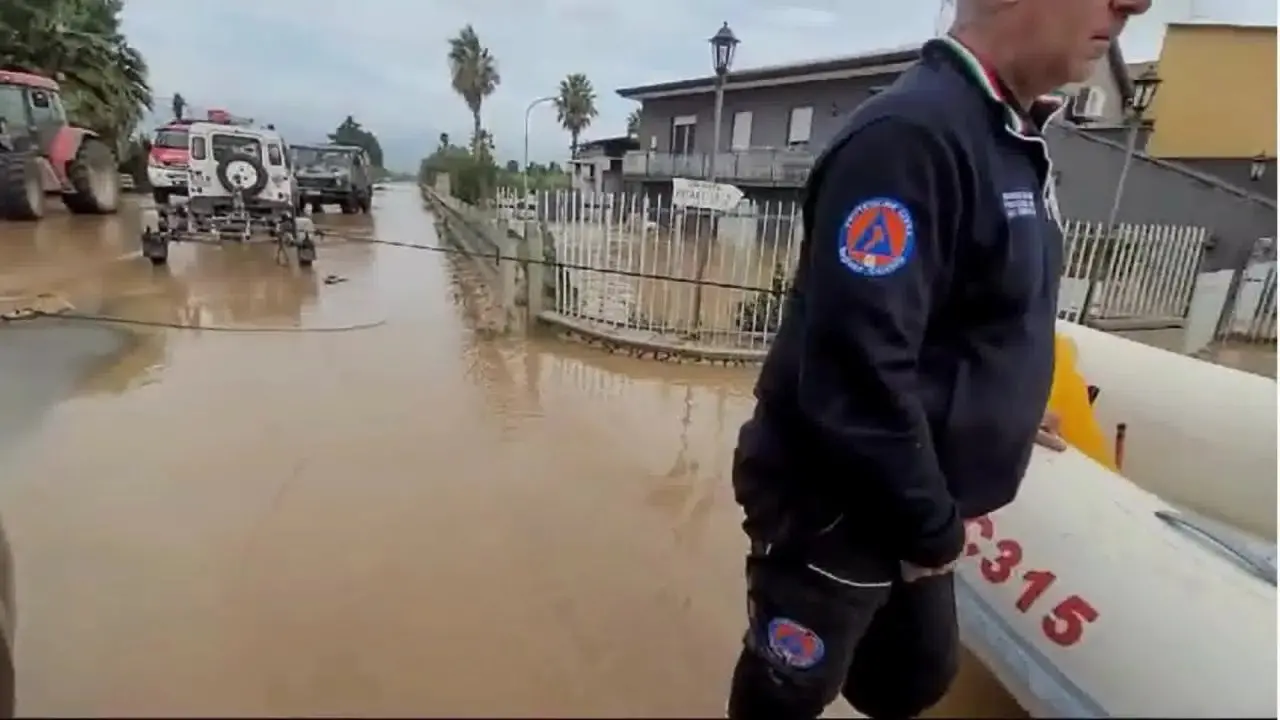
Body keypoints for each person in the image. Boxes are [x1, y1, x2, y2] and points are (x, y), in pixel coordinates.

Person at [726, 0, 1151, 718]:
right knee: (787, 692)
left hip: (919, 502)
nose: (1136, 3)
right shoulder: (912, 139)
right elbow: (857, 374)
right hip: (841, 508)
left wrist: (1007, 411)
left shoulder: (1007, 134)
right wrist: (933, 533)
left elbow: (972, 315)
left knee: (914, 677)